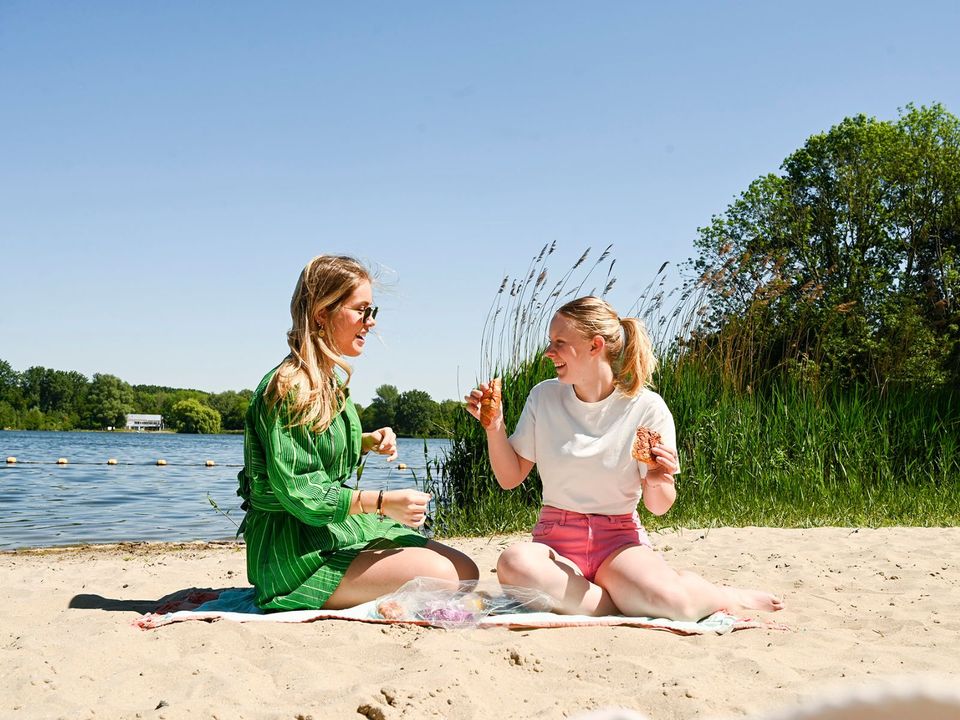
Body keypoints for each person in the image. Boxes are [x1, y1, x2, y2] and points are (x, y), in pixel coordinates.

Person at [465, 296, 783, 620]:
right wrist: (495, 427)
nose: (549, 352)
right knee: (513, 562)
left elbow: (659, 506)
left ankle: (724, 595)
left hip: (618, 545)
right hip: (555, 544)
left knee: (679, 606)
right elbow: (510, 477)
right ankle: (621, 602)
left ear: (595, 345)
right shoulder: (543, 397)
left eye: (559, 342)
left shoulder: (646, 408)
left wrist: (658, 477)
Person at [238, 254, 478, 611]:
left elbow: (315, 447)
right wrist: (383, 502)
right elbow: (303, 492)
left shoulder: (329, 381)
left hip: (332, 531)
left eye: (372, 312)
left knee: (465, 571)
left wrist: (363, 441)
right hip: (295, 549)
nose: (370, 323)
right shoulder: (290, 387)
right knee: (443, 576)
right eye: (361, 311)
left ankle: (378, 598)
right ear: (322, 313)